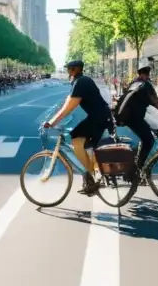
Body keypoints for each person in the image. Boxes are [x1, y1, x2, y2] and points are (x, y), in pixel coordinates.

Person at [44, 60, 114, 196]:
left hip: (99, 118)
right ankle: (89, 178)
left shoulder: (80, 82)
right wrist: (56, 116)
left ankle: (88, 177)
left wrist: (52, 122)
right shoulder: (82, 81)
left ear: (74, 70)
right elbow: (66, 103)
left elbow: (68, 108)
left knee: (75, 136)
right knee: (83, 142)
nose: (68, 72)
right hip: (101, 116)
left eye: (69, 69)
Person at [115, 61, 158, 171]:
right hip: (135, 117)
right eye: (147, 74)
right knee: (149, 140)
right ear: (146, 74)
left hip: (128, 117)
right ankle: (136, 169)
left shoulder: (134, 82)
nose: (147, 76)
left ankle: (137, 161)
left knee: (145, 136)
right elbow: (155, 101)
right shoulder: (146, 85)